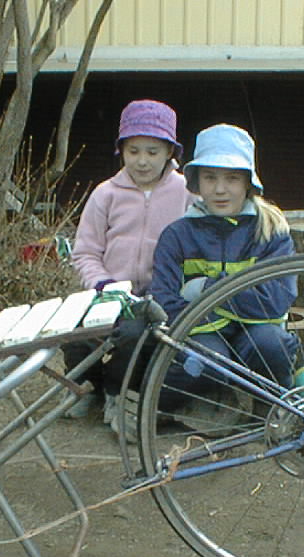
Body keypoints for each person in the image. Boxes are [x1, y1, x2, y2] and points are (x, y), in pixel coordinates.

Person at [64, 99, 196, 434]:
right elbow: (85, 252)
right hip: (108, 291)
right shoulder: (105, 194)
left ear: (170, 152)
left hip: (159, 295)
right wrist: (102, 284)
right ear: (121, 150)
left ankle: (117, 394)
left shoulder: (186, 193)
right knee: (75, 332)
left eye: (153, 151)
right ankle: (86, 386)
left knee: (135, 335)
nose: (142, 160)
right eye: (133, 151)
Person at [149, 123, 299, 412]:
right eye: (210, 178)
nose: (220, 189)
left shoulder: (272, 232)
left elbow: (276, 300)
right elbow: (166, 305)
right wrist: (236, 301)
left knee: (271, 343)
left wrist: (208, 289)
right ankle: (164, 410)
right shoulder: (176, 235)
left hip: (257, 333)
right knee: (206, 360)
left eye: (232, 178)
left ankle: (271, 411)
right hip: (201, 334)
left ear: (247, 183)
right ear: (196, 181)